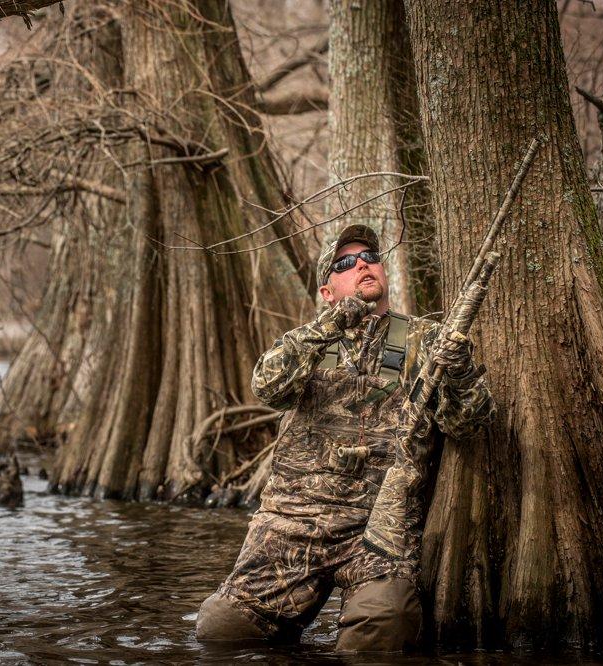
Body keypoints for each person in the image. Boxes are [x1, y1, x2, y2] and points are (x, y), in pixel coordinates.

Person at [195, 224, 494, 652]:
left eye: (370, 257)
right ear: (327, 290)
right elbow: (267, 386)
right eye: (346, 263)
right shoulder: (308, 343)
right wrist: (330, 325)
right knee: (222, 629)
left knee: (384, 628)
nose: (363, 265)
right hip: (292, 524)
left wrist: (461, 369)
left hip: (377, 529)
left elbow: (470, 426)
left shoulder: (425, 339)